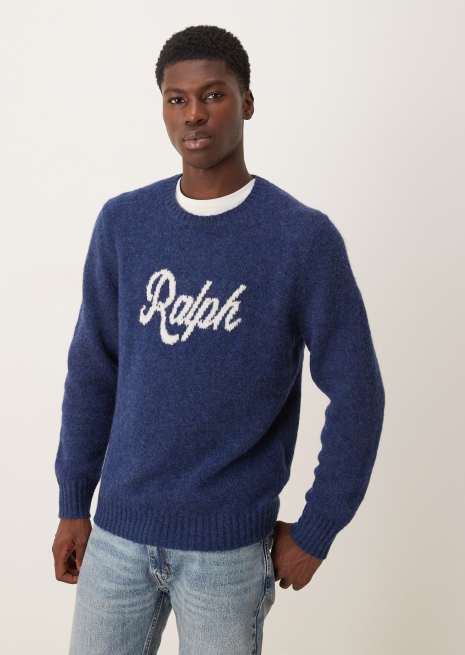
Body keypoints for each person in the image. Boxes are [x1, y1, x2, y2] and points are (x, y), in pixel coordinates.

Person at [52, 24, 385, 654]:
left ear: (247, 102)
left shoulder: (301, 239)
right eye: (176, 99)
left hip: (227, 554)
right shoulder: (124, 223)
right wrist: (73, 500)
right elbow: (93, 369)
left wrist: (318, 528)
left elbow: (358, 392)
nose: (194, 115)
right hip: (117, 538)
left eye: (213, 95)